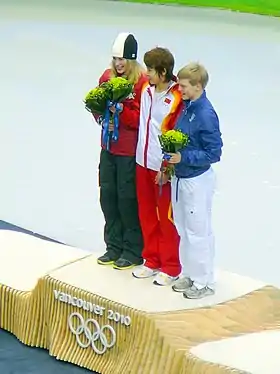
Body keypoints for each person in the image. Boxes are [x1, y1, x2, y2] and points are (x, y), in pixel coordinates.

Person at [167, 62, 223, 299]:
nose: (180, 90)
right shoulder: (187, 107)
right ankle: (189, 273)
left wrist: (183, 157)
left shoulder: (206, 114)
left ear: (198, 86)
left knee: (198, 231)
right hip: (180, 177)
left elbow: (214, 152)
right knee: (183, 228)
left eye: (183, 86)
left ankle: (204, 282)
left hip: (197, 181)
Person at [95, 32, 147, 270]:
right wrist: (99, 112)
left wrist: (120, 110)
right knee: (108, 197)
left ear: (132, 60)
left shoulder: (142, 82)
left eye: (123, 60)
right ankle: (113, 246)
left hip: (128, 152)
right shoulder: (106, 77)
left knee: (127, 199)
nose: (118, 64)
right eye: (115, 59)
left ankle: (133, 250)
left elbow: (140, 120)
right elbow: (97, 104)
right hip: (108, 147)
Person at [132, 47, 182, 286]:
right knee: (147, 214)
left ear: (163, 72)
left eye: (150, 70)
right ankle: (151, 259)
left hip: (161, 168)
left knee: (166, 218)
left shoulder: (176, 98)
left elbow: (175, 136)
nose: (147, 74)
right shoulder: (145, 90)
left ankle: (171, 266)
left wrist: (165, 168)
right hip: (141, 163)